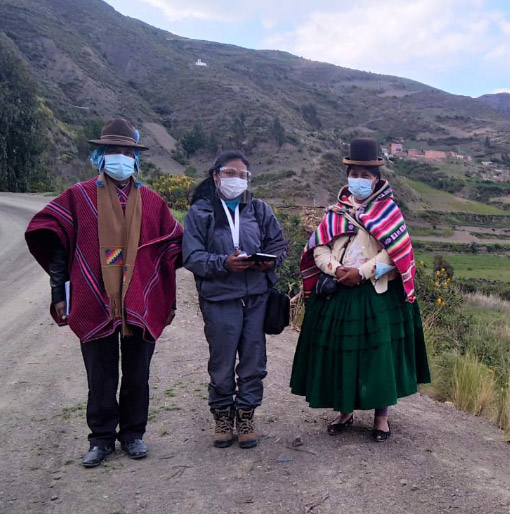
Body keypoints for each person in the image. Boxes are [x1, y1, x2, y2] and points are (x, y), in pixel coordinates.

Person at [26, 118, 183, 467]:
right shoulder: (78, 196)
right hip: (92, 296)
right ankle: (101, 438)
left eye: (127, 152)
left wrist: (168, 300)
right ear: (100, 154)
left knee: (137, 373)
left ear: (136, 158)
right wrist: (58, 291)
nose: (121, 158)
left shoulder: (154, 202)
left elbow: (169, 254)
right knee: (100, 374)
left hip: (141, 298)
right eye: (113, 151)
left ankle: (132, 434)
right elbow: (57, 245)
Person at [290, 137, 430, 442]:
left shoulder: (388, 211)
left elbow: (396, 252)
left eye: (365, 175)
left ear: (377, 178)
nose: (358, 180)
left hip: (375, 293)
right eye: (354, 174)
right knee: (343, 353)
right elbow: (318, 247)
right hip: (339, 291)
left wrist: (362, 272)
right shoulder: (335, 211)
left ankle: (381, 418)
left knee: (378, 355)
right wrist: (336, 269)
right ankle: (345, 411)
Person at [183, 150, 288, 449]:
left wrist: (270, 262)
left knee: (254, 361)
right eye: (230, 173)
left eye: (242, 175)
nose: (236, 180)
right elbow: (192, 257)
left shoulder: (259, 209)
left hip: (256, 297)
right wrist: (223, 263)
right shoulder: (200, 212)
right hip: (219, 299)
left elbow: (279, 244)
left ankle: (245, 415)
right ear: (216, 175)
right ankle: (222, 417)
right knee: (222, 361)